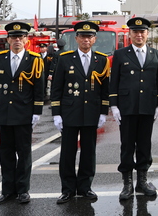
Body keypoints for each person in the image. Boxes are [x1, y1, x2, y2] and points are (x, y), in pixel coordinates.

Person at [52, 21, 110, 204]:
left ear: (94, 39)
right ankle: (68, 189)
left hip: (91, 112)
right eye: (82, 36)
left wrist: (103, 112)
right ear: (76, 38)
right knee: (68, 153)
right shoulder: (65, 58)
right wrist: (56, 113)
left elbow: (105, 89)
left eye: (89, 36)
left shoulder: (101, 60)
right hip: (70, 112)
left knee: (88, 152)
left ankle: (85, 187)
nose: (86, 39)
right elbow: (56, 88)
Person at [0, 22, 44, 206]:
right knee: (5, 154)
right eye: (14, 37)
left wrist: (37, 111)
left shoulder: (35, 59)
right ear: (8, 39)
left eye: (21, 37)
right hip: (4, 113)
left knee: (24, 153)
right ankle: (7, 191)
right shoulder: (0, 58)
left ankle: (23, 190)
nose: (17, 40)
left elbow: (39, 89)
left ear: (26, 39)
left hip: (24, 113)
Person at [111, 17, 158, 200]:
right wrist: (114, 105)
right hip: (127, 107)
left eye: (142, 32)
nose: (139, 35)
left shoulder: (156, 55)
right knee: (127, 146)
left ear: (147, 34)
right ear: (130, 34)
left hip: (147, 106)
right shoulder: (120, 54)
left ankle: (142, 180)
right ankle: (127, 183)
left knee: (144, 145)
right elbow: (114, 81)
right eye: (135, 32)